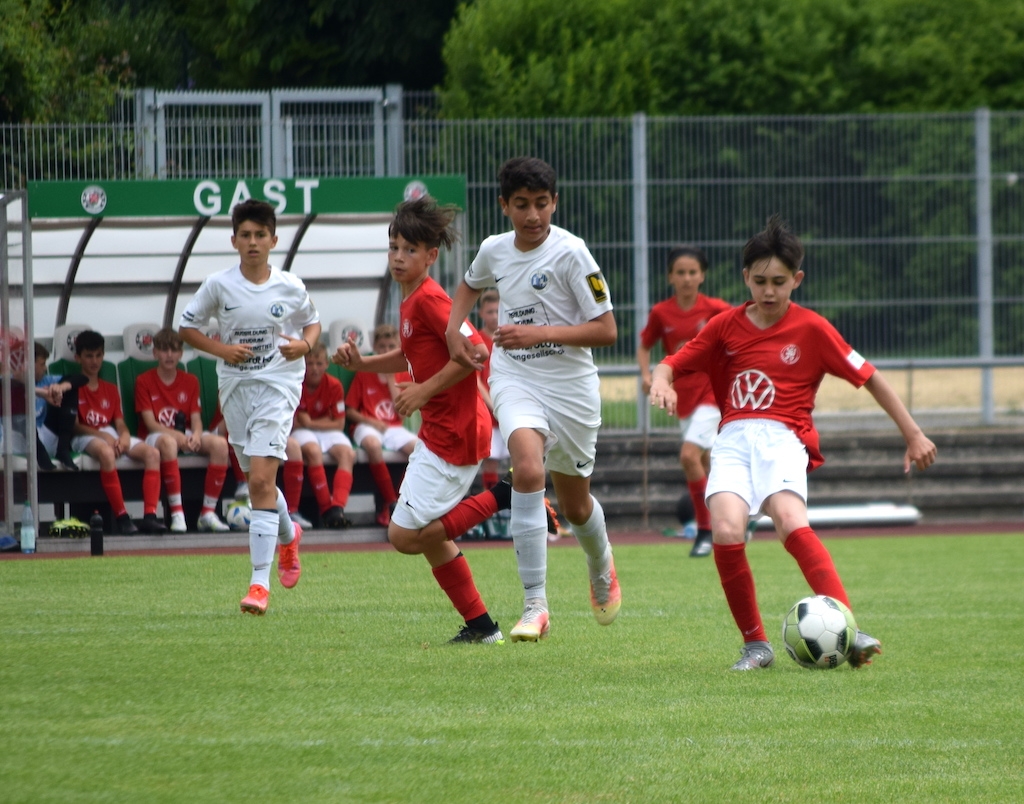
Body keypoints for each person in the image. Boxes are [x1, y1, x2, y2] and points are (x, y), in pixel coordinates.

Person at [649, 214, 937, 670]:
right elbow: (672, 363)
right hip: (732, 438)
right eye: (760, 281)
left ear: (796, 280)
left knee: (788, 519)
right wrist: (661, 382)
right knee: (726, 530)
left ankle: (850, 631)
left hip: (783, 438)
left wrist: (913, 433)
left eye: (779, 282)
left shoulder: (813, 329)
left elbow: (869, 377)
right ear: (745, 277)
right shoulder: (724, 326)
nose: (768, 291)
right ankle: (755, 645)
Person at [445, 155, 620, 642]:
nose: (533, 215)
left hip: (571, 389)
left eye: (541, 203)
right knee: (525, 469)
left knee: (576, 506)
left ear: (554, 202)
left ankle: (601, 564)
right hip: (515, 377)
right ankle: (535, 605)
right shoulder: (494, 249)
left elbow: (607, 330)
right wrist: (453, 328)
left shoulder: (572, 253)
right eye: (521, 204)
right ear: (504, 205)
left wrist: (540, 332)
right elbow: (468, 284)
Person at [333, 195, 510, 645]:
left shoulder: (431, 299)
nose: (398, 257)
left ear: (430, 256)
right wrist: (363, 364)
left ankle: (503, 495)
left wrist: (424, 390)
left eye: (409, 250)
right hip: (442, 431)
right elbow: (410, 353)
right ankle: (482, 627)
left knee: (403, 536)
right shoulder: (411, 299)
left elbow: (476, 352)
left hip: (455, 435)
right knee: (429, 538)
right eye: (394, 247)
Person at [179, 198, 321, 615]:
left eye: (261, 235)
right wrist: (222, 350)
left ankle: (259, 584)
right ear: (234, 241)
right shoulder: (218, 285)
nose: (253, 242)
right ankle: (289, 535)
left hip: (278, 385)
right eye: (246, 235)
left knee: (260, 479)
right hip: (236, 389)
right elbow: (186, 327)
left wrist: (305, 345)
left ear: (274, 240)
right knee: (259, 482)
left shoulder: (290, 286)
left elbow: (312, 322)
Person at [637, 245, 732, 557]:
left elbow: (741, 333)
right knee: (705, 463)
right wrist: (647, 375)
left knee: (689, 456)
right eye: (681, 272)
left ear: (702, 276)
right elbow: (644, 346)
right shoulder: (660, 313)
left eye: (693, 272)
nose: (687, 278)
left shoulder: (716, 309)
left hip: (712, 394)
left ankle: (705, 531)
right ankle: (732, 519)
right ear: (670, 277)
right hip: (681, 398)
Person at [134, 327, 231, 533]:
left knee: (220, 445)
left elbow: (195, 419)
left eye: (174, 350)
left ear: (180, 353)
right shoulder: (144, 381)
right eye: (164, 350)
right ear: (155, 353)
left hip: (184, 435)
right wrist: (179, 436)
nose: (169, 355)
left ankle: (208, 513)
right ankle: (178, 513)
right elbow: (150, 424)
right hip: (155, 437)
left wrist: (196, 435)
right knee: (168, 442)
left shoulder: (190, 380)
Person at [70, 330, 166, 534]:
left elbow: (119, 422)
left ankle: (150, 516)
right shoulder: (72, 386)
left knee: (152, 454)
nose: (94, 361)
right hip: (84, 437)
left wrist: (124, 436)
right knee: (106, 452)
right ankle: (122, 517)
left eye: (98, 355)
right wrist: (104, 436)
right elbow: (74, 425)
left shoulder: (110, 389)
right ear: (78, 358)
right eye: (89, 356)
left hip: (109, 434)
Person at [343, 323, 417, 527]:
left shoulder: (402, 374)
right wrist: (372, 422)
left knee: (419, 450)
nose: (386, 351)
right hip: (367, 425)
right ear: (375, 347)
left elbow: (402, 413)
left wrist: (391, 378)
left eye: (391, 346)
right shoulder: (365, 372)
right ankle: (390, 501)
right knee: (373, 445)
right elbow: (350, 411)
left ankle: (402, 501)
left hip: (392, 427)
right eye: (382, 346)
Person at [292, 340, 356, 529]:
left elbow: (339, 423)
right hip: (300, 432)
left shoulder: (334, 385)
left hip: (324, 430)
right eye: (310, 363)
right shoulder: (295, 384)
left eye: (319, 363)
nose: (314, 368)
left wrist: (310, 422)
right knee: (313, 451)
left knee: (347, 453)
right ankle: (327, 509)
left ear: (327, 364)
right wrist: (319, 421)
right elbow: (293, 424)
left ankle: (338, 507)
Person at [32, 341, 87, 471]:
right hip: (20, 439)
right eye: (42, 364)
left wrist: (62, 387)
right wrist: (41, 393)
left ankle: (62, 449)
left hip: (44, 434)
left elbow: (82, 379)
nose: (45, 368)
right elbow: (15, 387)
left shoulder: (46, 380)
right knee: (20, 413)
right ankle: (39, 452)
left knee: (70, 388)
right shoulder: (7, 382)